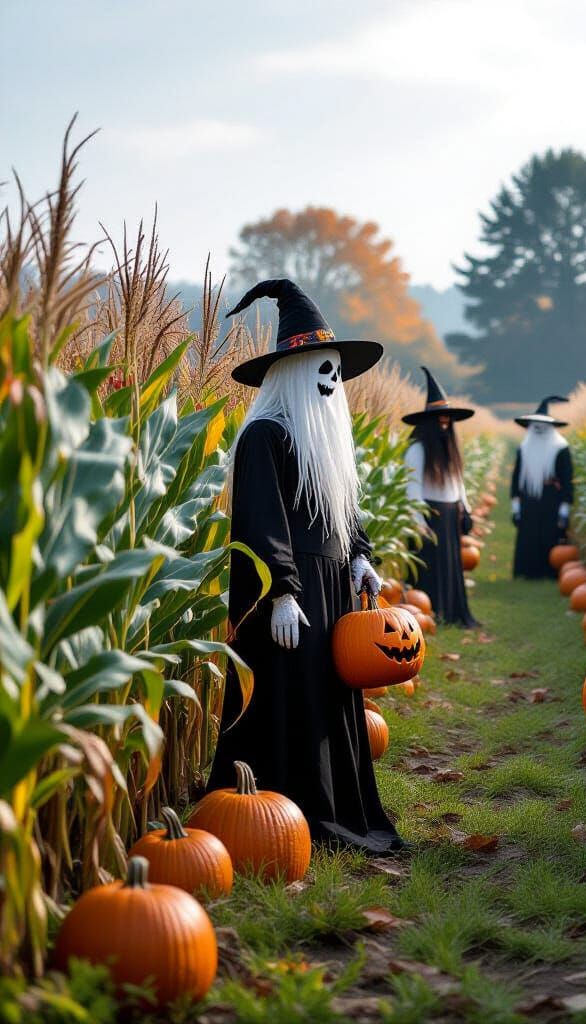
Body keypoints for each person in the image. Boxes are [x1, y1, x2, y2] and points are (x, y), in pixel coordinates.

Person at [207, 278, 405, 854]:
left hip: (332, 588)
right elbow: (260, 520)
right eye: (321, 369)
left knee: (326, 696)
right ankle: (284, 811)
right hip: (289, 595)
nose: (331, 381)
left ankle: (335, 805)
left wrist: (361, 557)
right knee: (289, 693)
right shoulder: (264, 437)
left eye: (335, 370)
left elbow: (345, 510)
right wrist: (281, 593)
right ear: (291, 372)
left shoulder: (325, 442)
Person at [402, 367, 479, 627]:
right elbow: (412, 490)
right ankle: (431, 612)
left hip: (449, 515)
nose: (444, 425)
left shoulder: (450, 449)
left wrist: (465, 508)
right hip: (429, 516)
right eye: (440, 421)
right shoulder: (417, 450)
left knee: (450, 564)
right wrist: (418, 521)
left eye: (447, 421)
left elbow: (457, 482)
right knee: (430, 566)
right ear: (429, 423)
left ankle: (451, 611)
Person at [510, 396, 574, 578]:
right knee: (528, 535)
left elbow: (567, 481)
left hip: (551, 500)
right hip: (528, 500)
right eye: (535, 425)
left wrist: (564, 511)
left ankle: (548, 572)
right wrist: (516, 508)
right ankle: (526, 571)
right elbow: (516, 479)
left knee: (549, 535)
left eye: (543, 426)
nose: (538, 429)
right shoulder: (524, 448)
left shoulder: (561, 448)